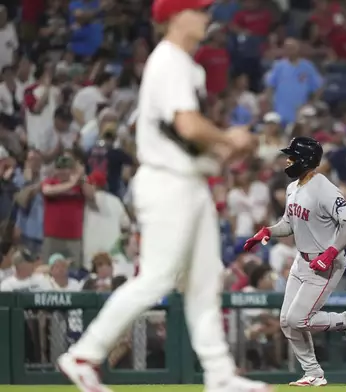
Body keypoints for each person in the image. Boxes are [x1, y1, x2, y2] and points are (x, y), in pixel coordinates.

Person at [56, 1, 269, 392]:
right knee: (155, 278)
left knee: (206, 281)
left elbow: (185, 137)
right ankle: (84, 354)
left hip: (189, 180)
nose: (207, 17)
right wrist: (227, 138)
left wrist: (227, 149)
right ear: (175, 15)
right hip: (167, 182)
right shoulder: (168, 60)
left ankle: (220, 374)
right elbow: (188, 125)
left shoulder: (190, 66)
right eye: (200, 10)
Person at [244, 136, 346, 387]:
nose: (288, 160)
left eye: (292, 156)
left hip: (326, 264)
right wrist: (268, 231)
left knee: (298, 319)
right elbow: (289, 224)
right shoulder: (293, 188)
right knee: (286, 321)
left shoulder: (325, 188)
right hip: (303, 260)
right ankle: (313, 373)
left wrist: (331, 253)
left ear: (306, 160)